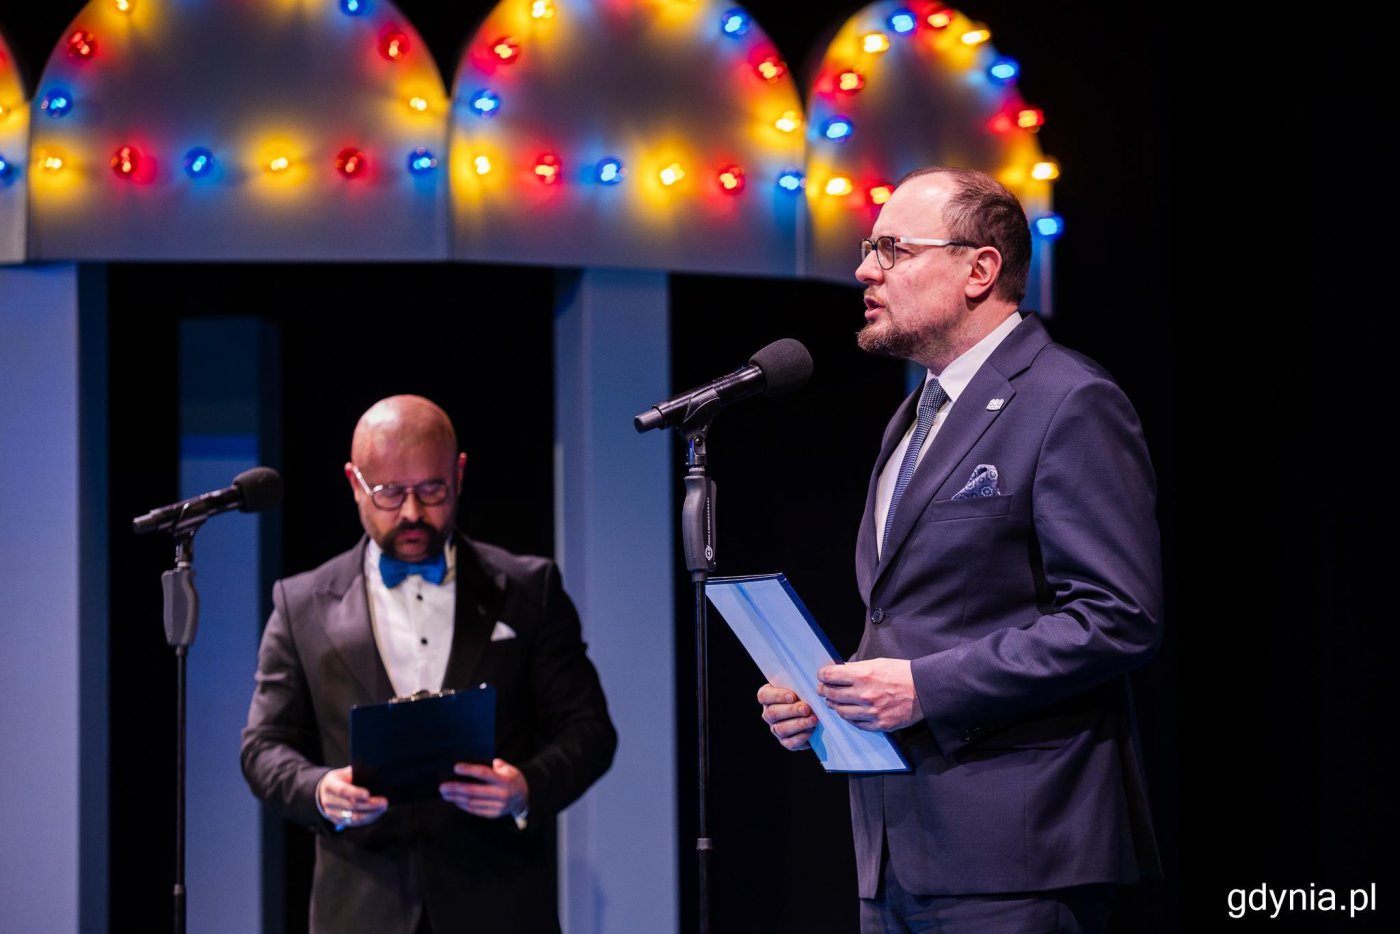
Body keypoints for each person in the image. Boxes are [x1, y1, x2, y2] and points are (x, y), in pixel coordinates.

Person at [758, 166, 1163, 933]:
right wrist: (830, 701)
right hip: (893, 853)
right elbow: (920, 619)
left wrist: (924, 687)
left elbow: (1117, 617)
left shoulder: (1069, 400)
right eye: (868, 248)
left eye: (893, 249)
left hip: (1017, 857)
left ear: (979, 269)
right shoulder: (915, 414)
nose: (865, 270)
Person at [241, 394, 616, 934]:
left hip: (500, 906)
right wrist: (319, 789)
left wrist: (526, 787)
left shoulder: (529, 589)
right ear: (354, 483)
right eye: (390, 493)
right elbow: (262, 747)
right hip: (359, 911)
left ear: (459, 474)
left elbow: (590, 730)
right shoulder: (300, 604)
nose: (413, 513)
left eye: (432, 489)